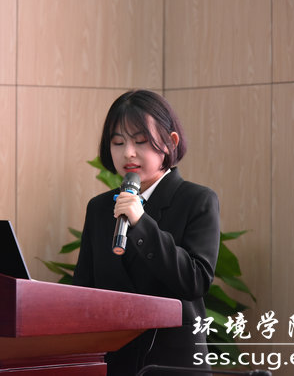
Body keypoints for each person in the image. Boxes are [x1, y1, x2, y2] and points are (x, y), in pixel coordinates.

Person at [73, 89, 220, 375]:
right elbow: (84, 290)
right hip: (114, 363)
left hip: (173, 364)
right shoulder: (99, 208)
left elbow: (195, 280)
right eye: (118, 142)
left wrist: (141, 223)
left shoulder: (197, 200)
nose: (128, 152)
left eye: (140, 141)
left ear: (170, 142)